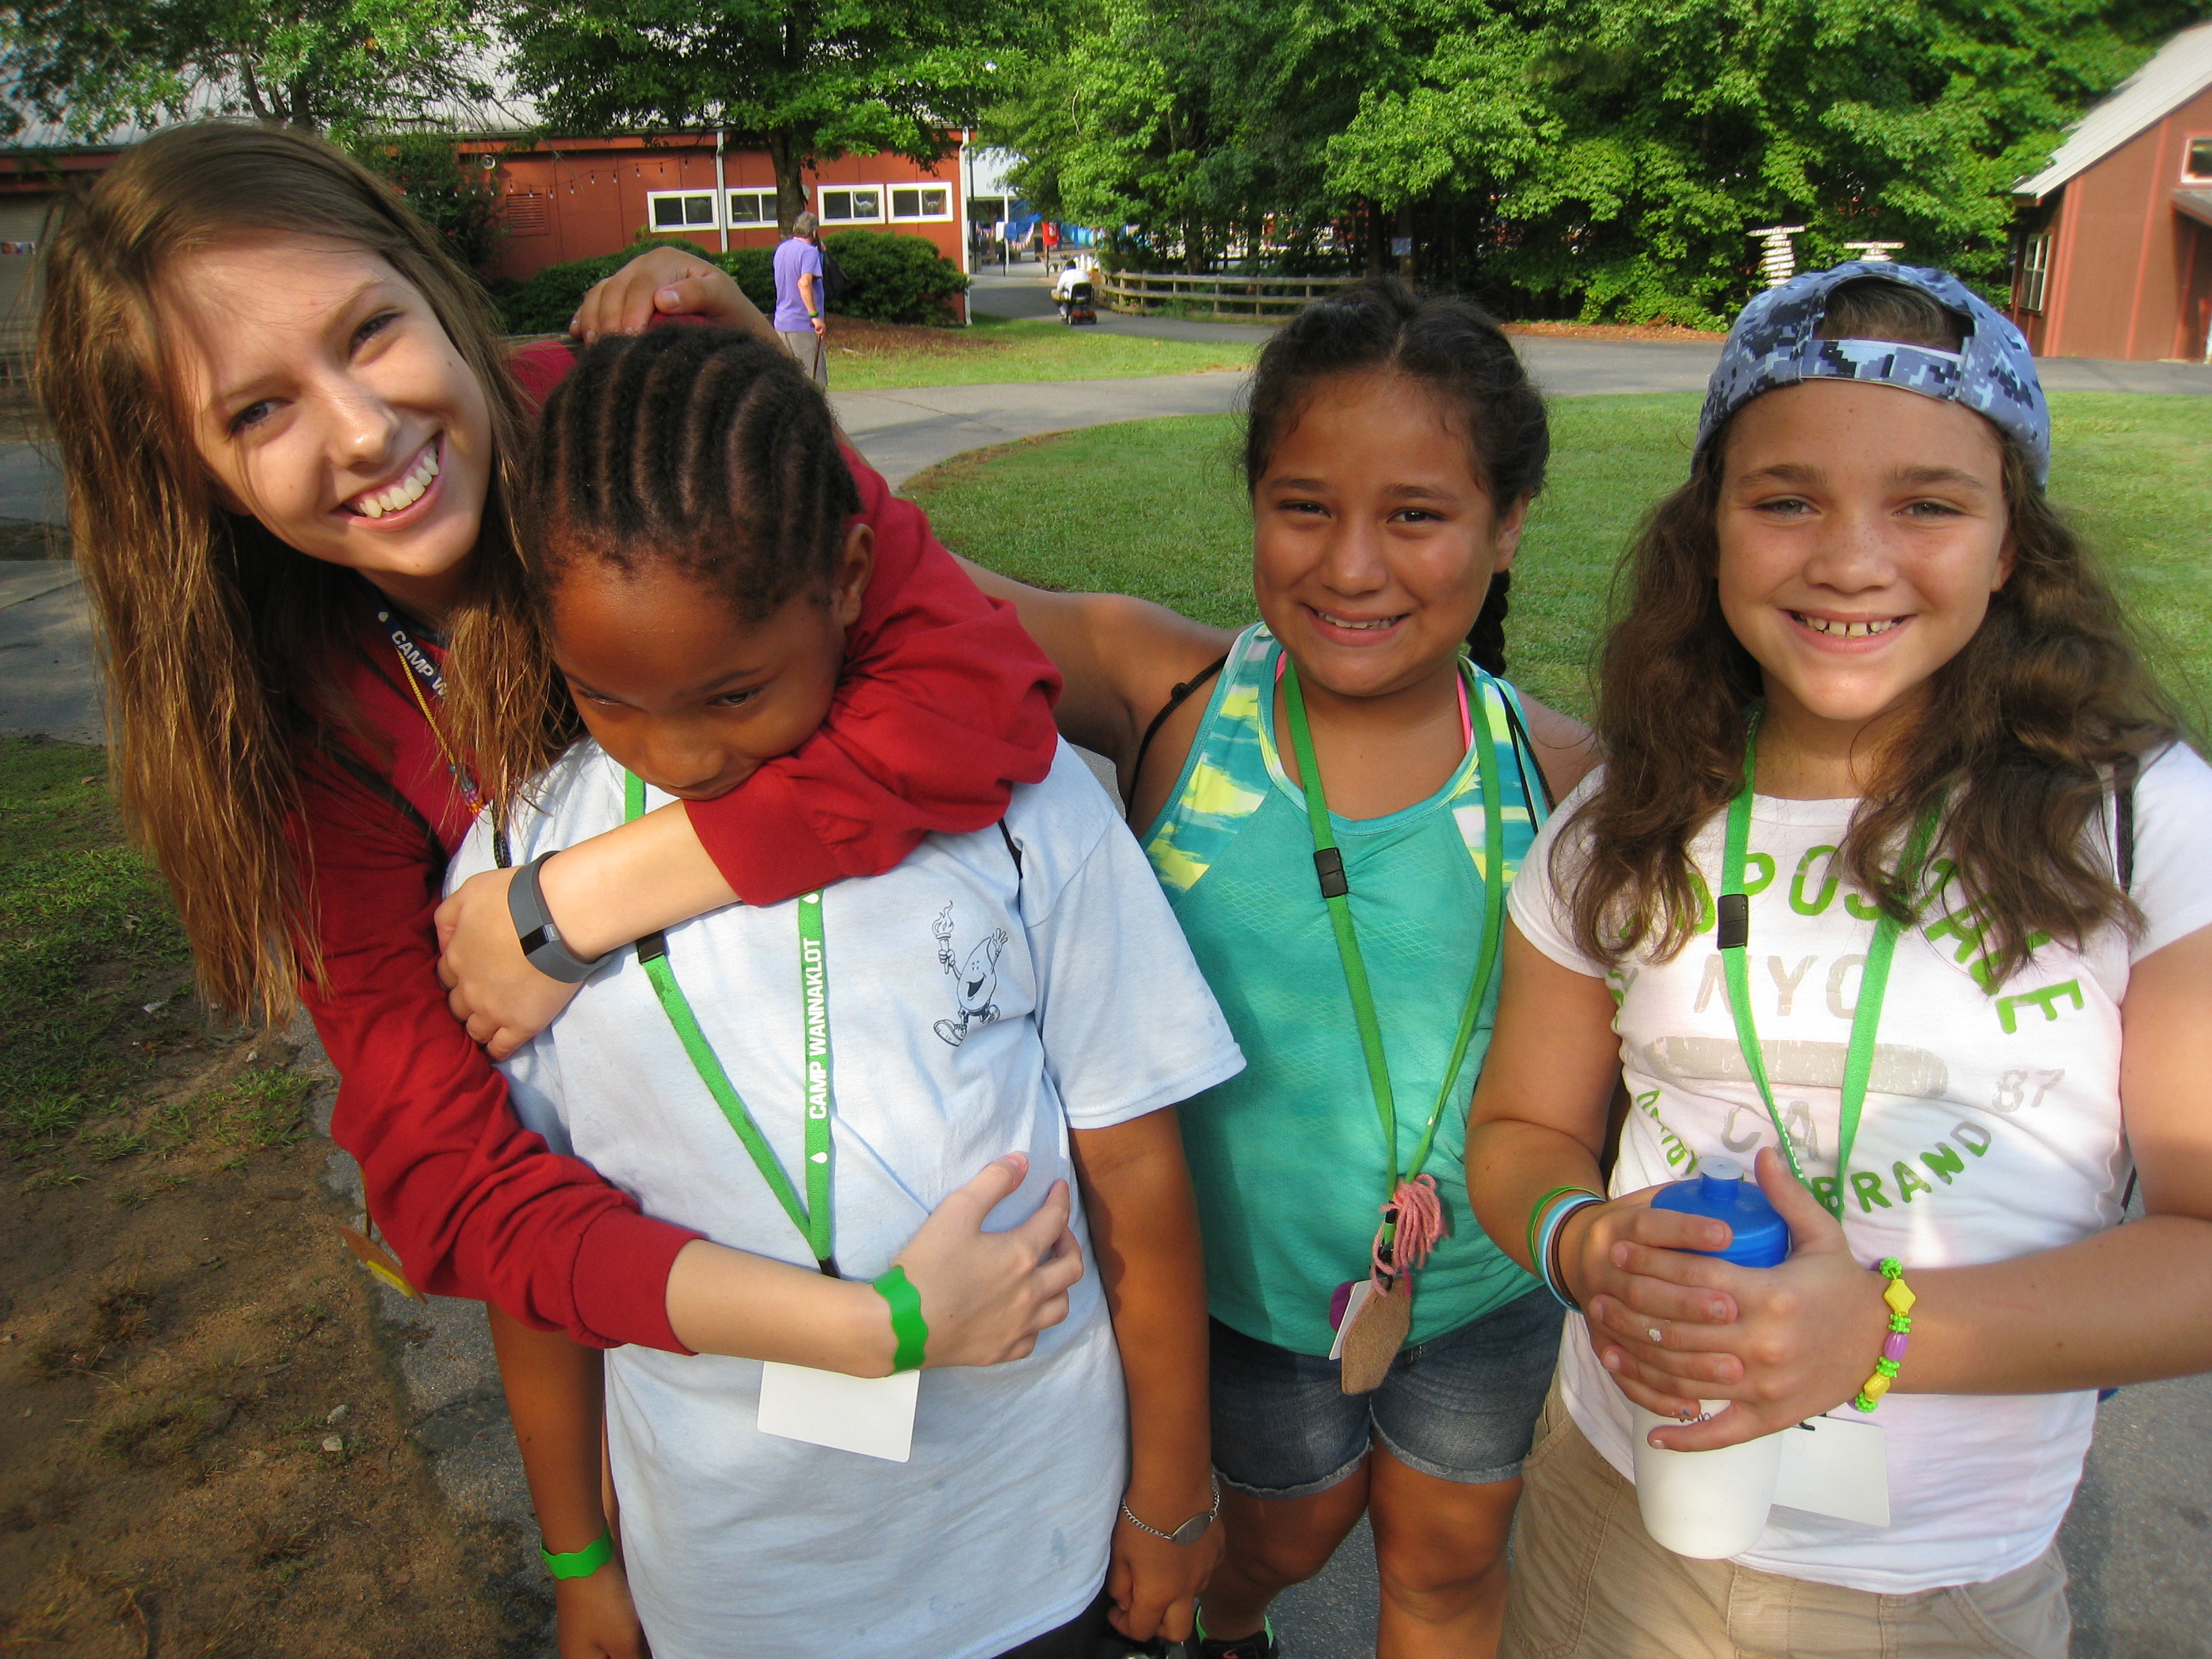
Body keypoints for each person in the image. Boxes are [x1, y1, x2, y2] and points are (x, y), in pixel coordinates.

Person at [39, 121, 1078, 1645]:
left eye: (369, 333)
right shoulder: (294, 722)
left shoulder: (640, 430)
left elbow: (982, 686)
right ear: (176, 470)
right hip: (722, 1436)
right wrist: (839, 1345)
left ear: (432, 287)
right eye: (260, 409)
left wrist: (583, 899)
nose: (360, 432)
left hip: (1007, 1325)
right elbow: (452, 1182)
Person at [456, 324, 1244, 1657]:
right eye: (609, 696)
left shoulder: (1017, 809)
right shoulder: (516, 880)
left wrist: (1172, 1492)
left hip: (1034, 1540)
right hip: (733, 1574)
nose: (684, 753)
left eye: (734, 691)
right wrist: (581, 1557)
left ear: (848, 578)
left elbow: (1137, 1170)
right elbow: (530, 1262)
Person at [1467, 263, 2212, 1657]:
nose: (1851, 557)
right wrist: (1585, 1241)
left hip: (1931, 1585)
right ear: (1712, 533)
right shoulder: (1617, 824)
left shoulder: (2145, 825)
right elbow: (1519, 1129)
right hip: (1610, 1512)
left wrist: (1874, 1330)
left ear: (2009, 543)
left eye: (1928, 503)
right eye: (1786, 497)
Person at [958, 279, 1598, 1659]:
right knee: (1276, 1541)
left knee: (1445, 1563)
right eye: (1304, 506)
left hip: (1483, 1295)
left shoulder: (1563, 776)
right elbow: (906, 589)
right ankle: (1231, 1628)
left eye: (1416, 516)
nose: (1351, 567)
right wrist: (727, 351)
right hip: (1237, 1305)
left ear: (1507, 526)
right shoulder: (1170, 697)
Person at [773, 209, 829, 386]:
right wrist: (815, 317)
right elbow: (804, 283)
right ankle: (814, 415)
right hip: (803, 324)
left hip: (782, 322)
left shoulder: (782, 249)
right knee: (814, 383)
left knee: (790, 380)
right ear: (814, 232)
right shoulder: (808, 252)